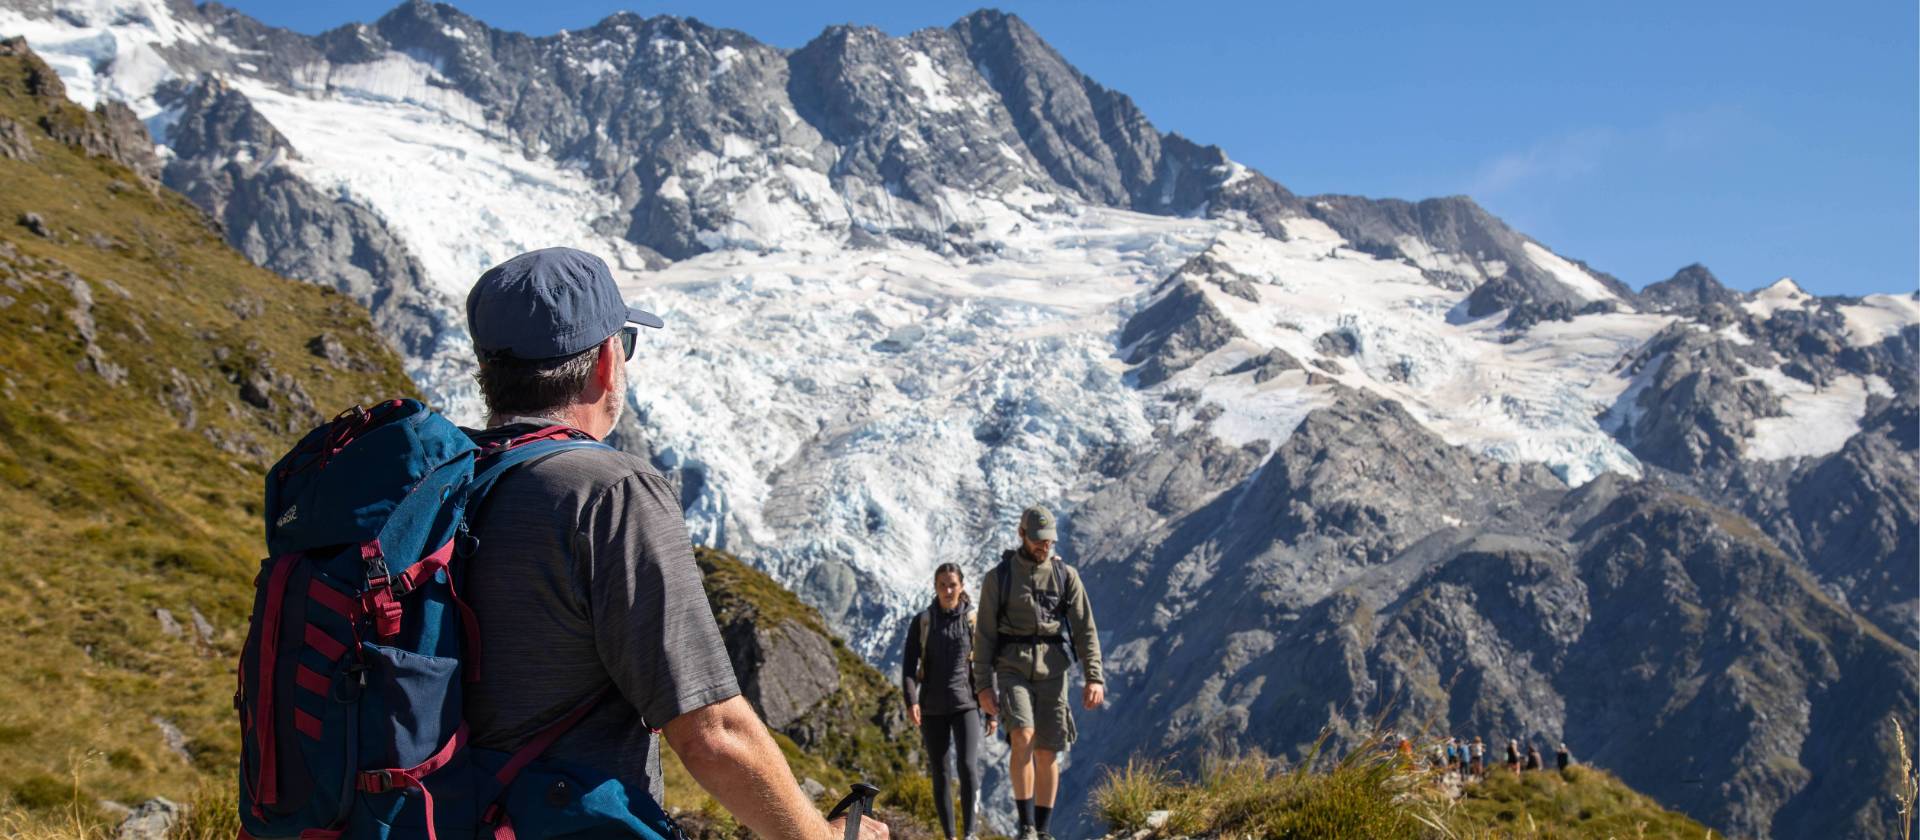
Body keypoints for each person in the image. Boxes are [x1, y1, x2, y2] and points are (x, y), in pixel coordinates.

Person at [459, 247, 885, 840]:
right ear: (607, 361)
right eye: (625, 343)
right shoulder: (609, 492)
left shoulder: (447, 482)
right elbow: (712, 734)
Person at [974, 505, 1104, 840]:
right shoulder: (999, 578)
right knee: (1022, 736)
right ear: (1022, 535)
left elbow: (1084, 629)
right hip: (1012, 667)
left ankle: (1043, 831)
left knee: (1049, 750)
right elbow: (985, 635)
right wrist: (983, 686)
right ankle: (1026, 826)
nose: (1043, 547)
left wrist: (1095, 677)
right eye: (1037, 540)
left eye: (1048, 541)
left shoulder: (1065, 576)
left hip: (1053, 670)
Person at [901, 563, 997, 840]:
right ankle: (950, 836)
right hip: (932, 708)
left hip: (966, 705)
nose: (947, 590)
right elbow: (909, 666)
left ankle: (969, 834)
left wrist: (991, 711)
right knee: (940, 772)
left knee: (967, 767)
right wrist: (911, 700)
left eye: (952, 584)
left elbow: (985, 665)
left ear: (962, 586)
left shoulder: (973, 621)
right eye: (942, 584)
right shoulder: (923, 621)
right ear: (935, 587)